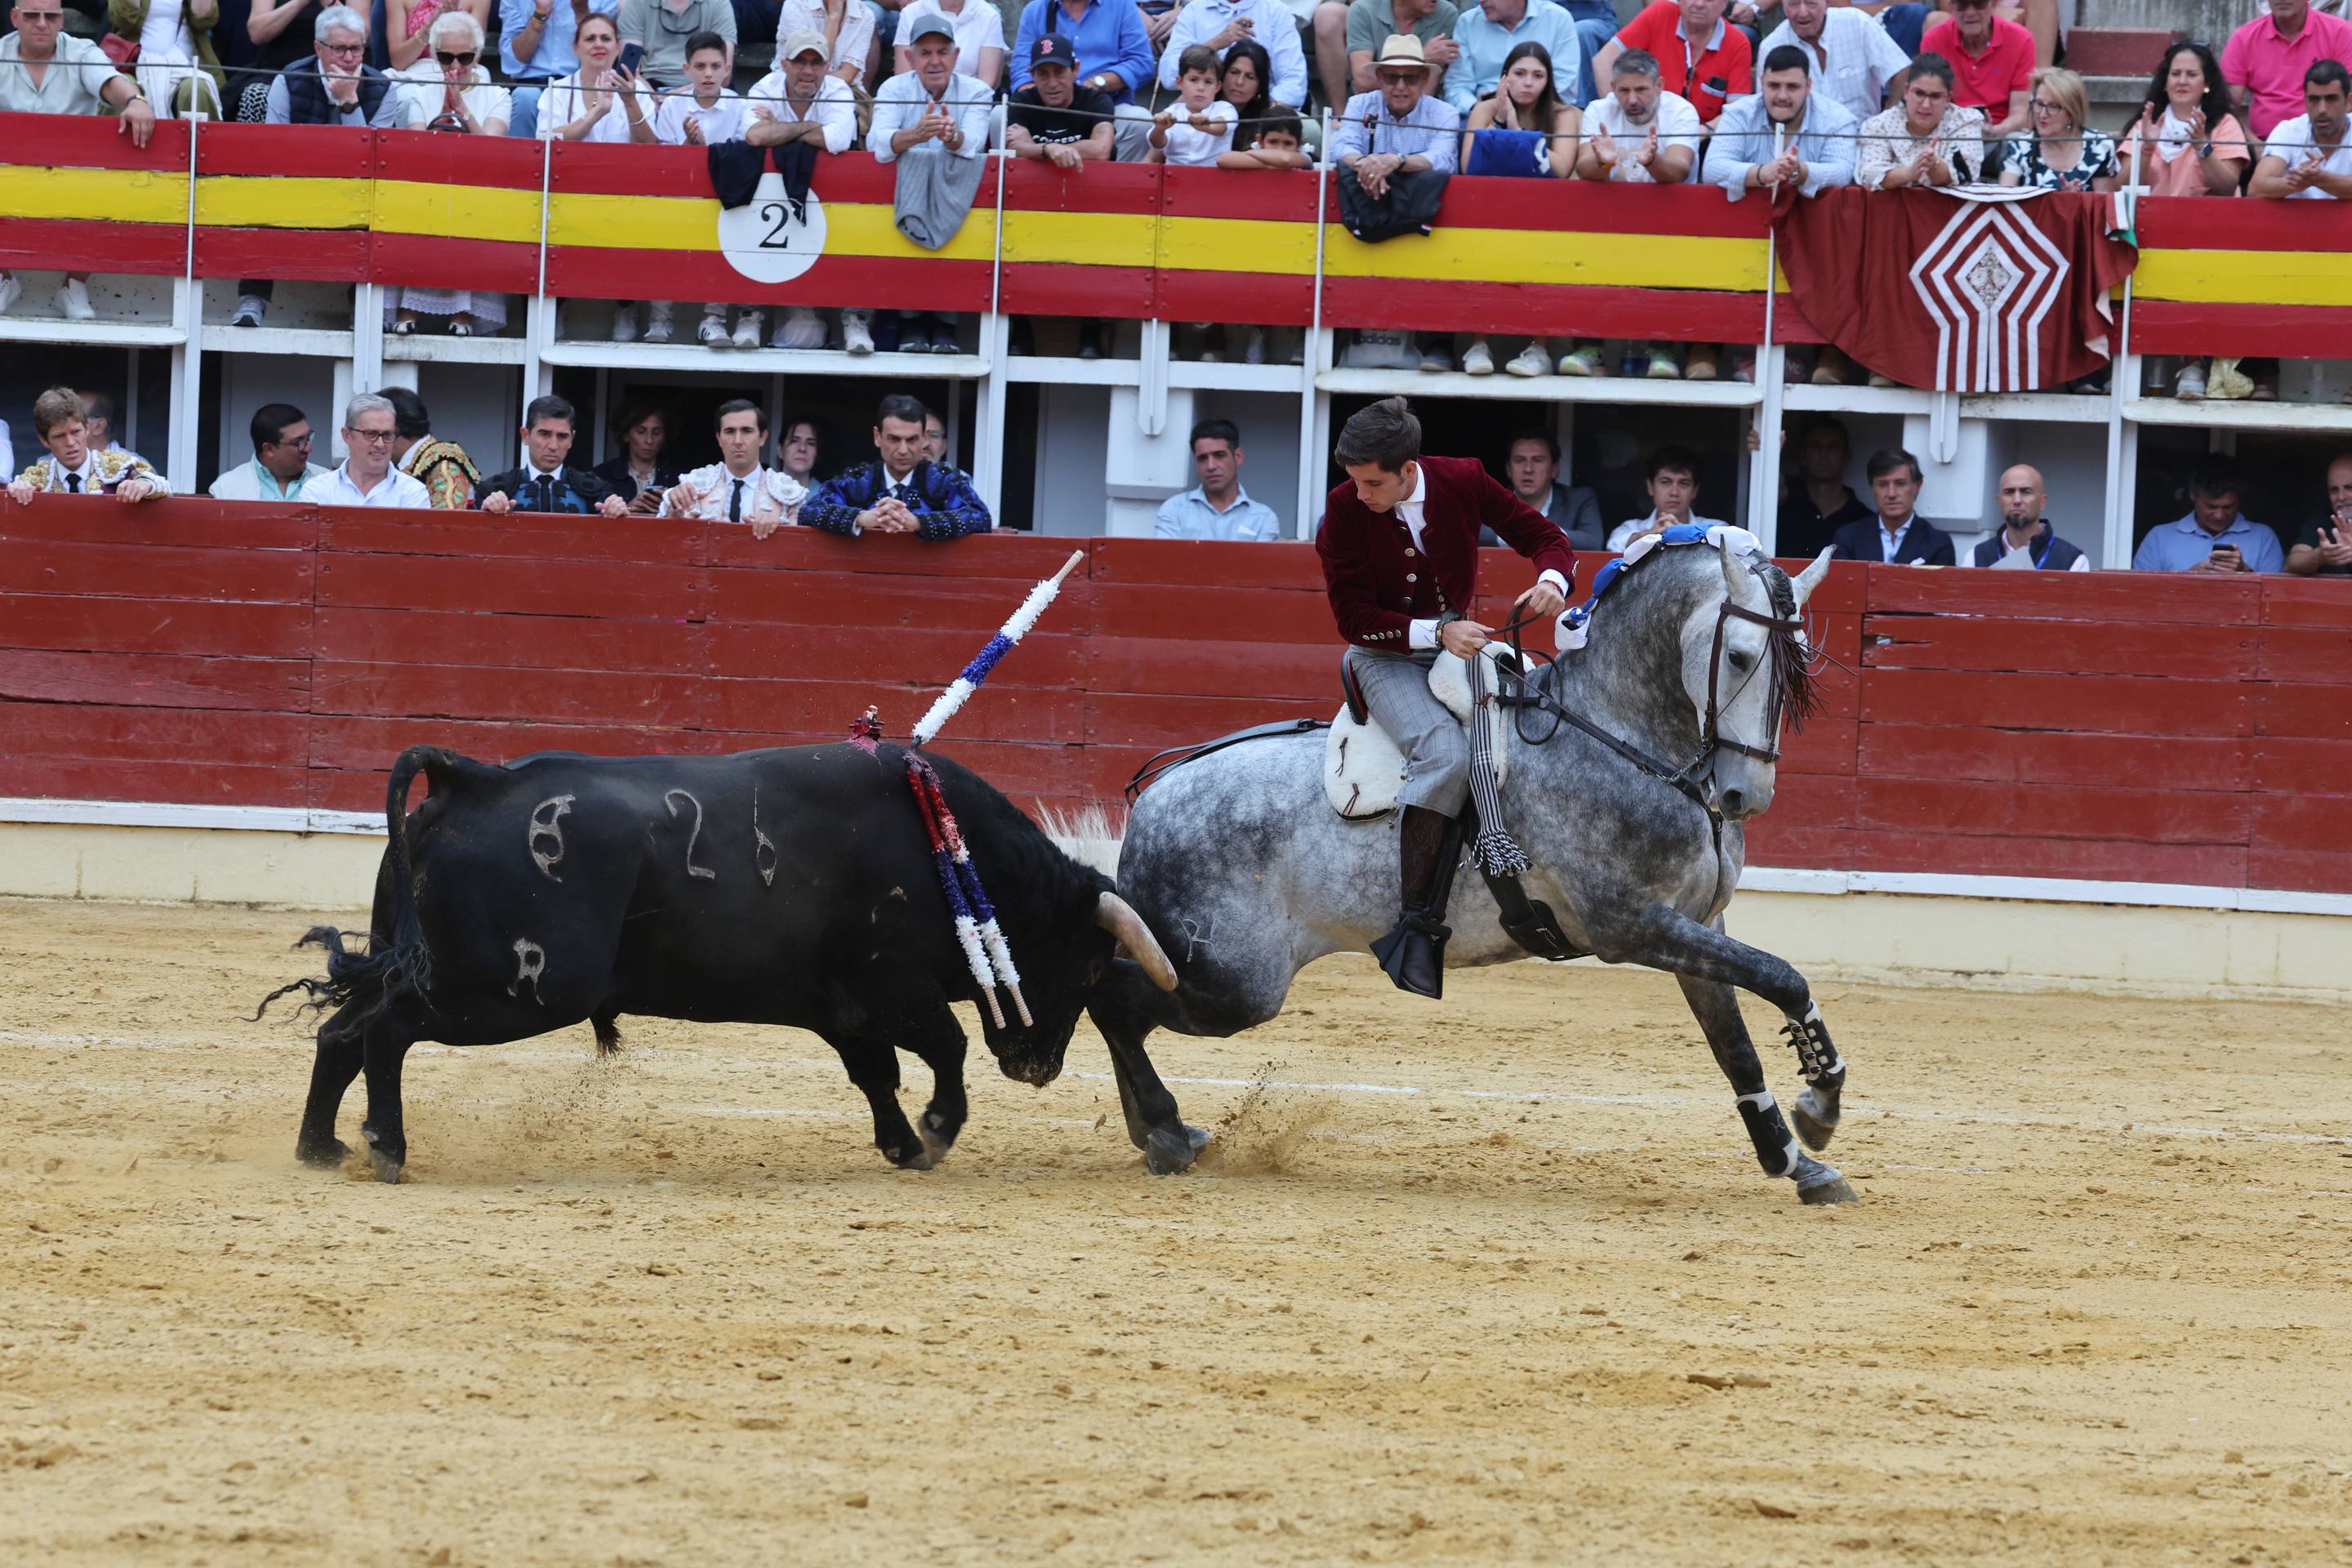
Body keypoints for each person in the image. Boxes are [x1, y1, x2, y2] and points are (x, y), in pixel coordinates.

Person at [1312, 397, 1573, 999]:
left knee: (1543, 727)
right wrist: (1438, 631)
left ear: (1409, 469)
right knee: (1446, 757)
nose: (1361, 493)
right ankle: (1415, 925)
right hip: (1386, 657)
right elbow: (1352, 618)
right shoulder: (1343, 509)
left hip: (1460, 643)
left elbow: (1542, 534)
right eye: (1354, 481)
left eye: (1373, 482)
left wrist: (1551, 579)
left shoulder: (1461, 479)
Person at [239, 3, 399, 325]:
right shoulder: (289, 79)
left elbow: (372, 162)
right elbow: (274, 151)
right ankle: (252, 300)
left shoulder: (383, 89)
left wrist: (350, 103)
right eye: (339, 49)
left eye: (356, 48)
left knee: (381, 205)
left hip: (357, 189)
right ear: (318, 48)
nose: (350, 58)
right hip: (296, 183)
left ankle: (362, 307)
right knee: (260, 196)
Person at [0, 0, 158, 323]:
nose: (41, 23)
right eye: (32, 15)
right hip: (9, 176)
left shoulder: (81, 51)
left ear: (61, 19)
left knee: (107, 189)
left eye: (50, 16)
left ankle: (73, 285)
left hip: (72, 178)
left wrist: (134, 100)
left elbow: (109, 80)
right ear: (15, 18)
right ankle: (3, 278)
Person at [1332, 36, 1460, 374]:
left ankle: (1439, 342)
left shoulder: (1443, 112)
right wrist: (1368, 165)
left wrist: (1393, 161)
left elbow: (1444, 159)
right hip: (1389, 203)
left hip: (1422, 216)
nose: (1401, 86)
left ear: (1424, 80)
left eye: (1411, 77)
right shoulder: (1361, 104)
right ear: (1379, 79)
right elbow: (1340, 147)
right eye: (1392, 77)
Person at [1570, 49, 1700, 380]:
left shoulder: (1681, 110)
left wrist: (1651, 161)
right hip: (1609, 224)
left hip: (1671, 224)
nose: (1632, 100)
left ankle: (1662, 350)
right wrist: (1605, 161)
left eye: (1641, 90)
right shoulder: (1599, 109)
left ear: (1659, 85)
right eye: (1624, 90)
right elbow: (1586, 168)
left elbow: (1680, 169)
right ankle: (1589, 347)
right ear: (1612, 86)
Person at [868, 15, 994, 353]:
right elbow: (874, 143)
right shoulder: (894, 87)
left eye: (942, 52)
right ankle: (910, 322)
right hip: (898, 195)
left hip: (956, 191)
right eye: (925, 53)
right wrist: (916, 135)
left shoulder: (977, 90)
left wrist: (950, 137)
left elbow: (974, 142)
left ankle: (944, 324)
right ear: (910, 59)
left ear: (956, 55)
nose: (935, 61)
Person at [1456, 43, 1578, 377]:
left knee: (1544, 270)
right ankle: (1478, 344)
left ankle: (1539, 349)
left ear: (1548, 80)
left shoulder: (1565, 113)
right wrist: (1499, 117)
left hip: (1546, 219)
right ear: (1504, 78)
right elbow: (1468, 165)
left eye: (1538, 76)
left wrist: (1513, 128)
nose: (1528, 83)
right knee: (1484, 263)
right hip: (1491, 213)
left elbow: (1562, 167)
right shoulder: (1483, 110)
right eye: (1520, 74)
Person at [389, 11, 511, 339]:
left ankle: (462, 308)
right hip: (429, 183)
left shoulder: (497, 95)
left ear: (478, 54)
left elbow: (493, 152)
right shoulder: (420, 91)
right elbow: (416, 146)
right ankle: (410, 305)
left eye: (465, 58)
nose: (455, 67)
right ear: (434, 54)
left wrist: (462, 111)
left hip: (479, 186)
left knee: (469, 207)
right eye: (445, 57)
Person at [740, 30, 860, 350]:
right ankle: (748, 313)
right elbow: (752, 136)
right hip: (770, 204)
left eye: (816, 63)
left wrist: (779, 128)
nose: (808, 71)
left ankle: (854, 319)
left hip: (835, 203)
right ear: (784, 64)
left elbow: (839, 139)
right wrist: (809, 128)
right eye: (800, 62)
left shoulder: (837, 88)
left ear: (827, 66)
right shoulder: (765, 86)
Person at [802, 394, 992, 538]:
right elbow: (809, 511)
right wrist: (861, 518)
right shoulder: (858, 481)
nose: (903, 450)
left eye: (911, 440)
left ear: (924, 438)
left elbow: (980, 517)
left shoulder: (943, 480)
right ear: (878, 437)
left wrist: (919, 522)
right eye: (894, 439)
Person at [1704, 42, 1860, 200]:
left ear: (1808, 86)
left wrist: (1800, 170)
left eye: (1793, 87)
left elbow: (1842, 173)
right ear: (1762, 83)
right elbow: (1712, 169)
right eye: (1774, 85)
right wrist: (1761, 173)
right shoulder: (1740, 113)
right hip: (1750, 217)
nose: (1782, 96)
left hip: (1811, 219)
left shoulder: (1837, 118)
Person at [1008, 0, 1155, 162]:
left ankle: (1125, 185)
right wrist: (1038, 102)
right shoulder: (1035, 10)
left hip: (1106, 103)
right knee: (998, 116)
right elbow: (1021, 69)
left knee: (1140, 122)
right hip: (1045, 108)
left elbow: (1141, 62)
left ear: (1076, 68)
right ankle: (1014, 183)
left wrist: (1093, 85)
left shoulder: (1122, 5)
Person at [1591, 0, 1748, 128]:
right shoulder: (1659, 14)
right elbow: (1603, 61)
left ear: (1725, 4)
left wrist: (1702, 132)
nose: (1699, 4)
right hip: (1645, 126)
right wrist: (1623, 116)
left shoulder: (1737, 43)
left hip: (1703, 137)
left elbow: (1738, 111)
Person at [658, 399, 807, 533]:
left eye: (746, 431)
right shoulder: (691, 486)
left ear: (762, 438)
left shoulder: (791, 494)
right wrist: (673, 513)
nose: (738, 440)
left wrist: (780, 530)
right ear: (719, 439)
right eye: (730, 431)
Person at [1757, 0, 1911, 127]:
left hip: (1864, 139)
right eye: (1794, 4)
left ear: (1826, 3)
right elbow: (1766, 108)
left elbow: (1901, 71)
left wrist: (1885, 124)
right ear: (1783, 5)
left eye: (1811, 3)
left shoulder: (1857, 22)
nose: (1803, 13)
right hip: (1806, 146)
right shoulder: (1772, 46)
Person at [476, 396, 634, 518]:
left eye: (562, 436)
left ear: (571, 439)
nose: (553, 446)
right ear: (525, 435)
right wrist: (486, 513)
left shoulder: (597, 491)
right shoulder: (492, 492)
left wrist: (617, 511)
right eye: (544, 434)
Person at [4, 387, 167, 502]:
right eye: (60, 436)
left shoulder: (120, 467)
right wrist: (17, 491)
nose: (70, 443)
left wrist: (145, 484)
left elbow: (163, 485)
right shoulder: (36, 478)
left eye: (75, 432)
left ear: (87, 429)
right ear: (44, 441)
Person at [2221, 0, 2352, 144]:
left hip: (2327, 143)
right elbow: (2225, 107)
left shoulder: (2341, 32)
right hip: (2263, 144)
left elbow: (2349, 101)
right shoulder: (2244, 38)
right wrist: (2254, 145)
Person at [1855, 51, 1986, 190]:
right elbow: (1869, 174)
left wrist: (1933, 165)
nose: (1925, 105)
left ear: (1948, 98)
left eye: (1935, 96)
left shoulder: (1965, 121)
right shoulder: (1878, 125)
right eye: (1919, 93)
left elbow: (1966, 175)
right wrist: (1911, 172)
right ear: (1906, 91)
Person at [499, 0, 620, 139]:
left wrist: (581, 10)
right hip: (531, 83)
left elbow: (602, 49)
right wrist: (541, 12)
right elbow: (513, 60)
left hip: (580, 83)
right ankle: (521, 160)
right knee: (525, 97)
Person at [2131, 464, 2283, 574]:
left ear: (2239, 500)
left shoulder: (2263, 537)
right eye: (2211, 507)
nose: (2219, 515)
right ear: (2193, 496)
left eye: (2228, 507)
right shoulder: (2160, 537)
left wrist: (2244, 571)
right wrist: (2188, 578)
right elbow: (2140, 594)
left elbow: (2276, 598)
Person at [1316, 0, 1458, 116]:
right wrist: (1422, 58)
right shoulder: (1363, 9)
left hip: (1417, 112)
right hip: (1368, 104)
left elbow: (1427, 89)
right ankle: (1339, 120)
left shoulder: (1446, 13)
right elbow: (1363, 81)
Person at [1158, 0, 1307, 110]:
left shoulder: (1276, 11)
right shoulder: (1194, 10)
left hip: (1263, 108)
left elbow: (1294, 83)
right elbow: (1169, 77)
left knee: (1310, 130)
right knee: (1174, 112)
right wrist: (1216, 43)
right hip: (1206, 105)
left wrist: (1260, 110)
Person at [1446, 0, 1580, 119]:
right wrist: (1476, 107)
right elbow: (1457, 84)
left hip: (1541, 113)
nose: (1480, 1)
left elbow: (1564, 83)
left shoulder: (1558, 19)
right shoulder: (1468, 22)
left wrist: (1523, 109)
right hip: (1485, 113)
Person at [1156, 418, 1282, 541]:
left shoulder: (1263, 518)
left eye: (1219, 455)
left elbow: (1261, 563)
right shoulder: (1175, 509)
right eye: (1203, 458)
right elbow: (1166, 560)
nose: (1211, 466)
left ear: (1238, 457)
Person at [1918, 0, 2029, 140]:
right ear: (1952, 7)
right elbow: (1929, 103)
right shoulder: (1934, 39)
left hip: (2002, 135)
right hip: (1947, 133)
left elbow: (2020, 112)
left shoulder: (2020, 39)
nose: (1970, 12)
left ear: (1993, 5)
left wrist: (1995, 131)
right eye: (1962, 5)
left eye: (1979, 4)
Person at [1995, 67, 2117, 192]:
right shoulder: (2019, 148)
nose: (2042, 114)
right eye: (2039, 104)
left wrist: (2075, 202)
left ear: (2072, 112)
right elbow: (2005, 201)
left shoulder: (2100, 146)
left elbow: (2104, 207)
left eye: (2053, 106)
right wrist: (2059, 202)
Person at [1831, 448, 1957, 564]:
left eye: (1900, 484)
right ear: (1872, 488)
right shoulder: (1848, 537)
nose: (1891, 494)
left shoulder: (1938, 544)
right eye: (1883, 484)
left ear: (1917, 487)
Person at [2250, 60, 2352, 201]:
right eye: (2314, 100)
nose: (2322, 109)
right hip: (2296, 222)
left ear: (2348, 102)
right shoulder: (2289, 130)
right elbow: (2256, 189)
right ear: (2305, 101)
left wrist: (2319, 179)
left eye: (2331, 99)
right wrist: (2298, 182)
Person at [308, 393, 432, 508]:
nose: (380, 444)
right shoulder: (319, 489)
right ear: (347, 435)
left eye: (388, 434)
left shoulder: (413, 491)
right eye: (370, 434)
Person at [1775, 416, 1869, 561]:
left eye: (1832, 447)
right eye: (1815, 446)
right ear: (1803, 455)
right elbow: (1766, 485)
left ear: (1846, 456)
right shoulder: (1786, 497)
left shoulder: (1861, 518)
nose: (1823, 454)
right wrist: (1766, 450)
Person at [1967, 464, 2088, 570]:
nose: (2017, 500)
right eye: (2009, 492)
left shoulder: (2073, 561)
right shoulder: (1976, 557)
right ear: (1999, 502)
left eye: (2026, 492)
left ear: (2042, 502)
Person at [1606, 444, 1724, 549]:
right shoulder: (1630, 528)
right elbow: (1614, 546)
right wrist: (1652, 535)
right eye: (1665, 482)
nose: (1674, 492)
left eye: (1684, 483)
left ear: (1694, 491)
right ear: (1650, 487)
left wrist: (1684, 534)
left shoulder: (1717, 528)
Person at [1499, 430, 1602, 550]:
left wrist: (1540, 532)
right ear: (1508, 469)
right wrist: (1519, 535)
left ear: (1554, 469)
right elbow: (1476, 532)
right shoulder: (1492, 499)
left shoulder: (1580, 499)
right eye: (1520, 460)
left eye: (1538, 460)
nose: (1528, 469)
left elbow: (1593, 541)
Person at [382, 385, 480, 509]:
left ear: (395, 430)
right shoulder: (415, 461)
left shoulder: (443, 464)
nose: (377, 442)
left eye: (381, 433)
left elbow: (447, 524)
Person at [209, 403, 329, 501]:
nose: (309, 448)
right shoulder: (225, 489)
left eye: (308, 437)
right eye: (298, 442)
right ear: (269, 449)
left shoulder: (329, 482)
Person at [1150, 44, 1239, 164]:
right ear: (1179, 82)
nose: (1201, 88)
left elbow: (1223, 127)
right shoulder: (1171, 112)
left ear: (1218, 87)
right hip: (1173, 177)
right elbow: (1157, 144)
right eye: (1194, 80)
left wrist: (1207, 126)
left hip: (1215, 178)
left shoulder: (1225, 108)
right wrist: (1159, 129)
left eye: (1208, 82)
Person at [616, 0, 734, 89]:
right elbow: (628, 69)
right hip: (649, 87)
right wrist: (651, 96)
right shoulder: (636, 3)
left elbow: (724, 74)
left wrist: (678, 96)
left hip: (703, 89)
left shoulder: (719, 4)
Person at [894, 0, 1007, 88]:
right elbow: (903, 79)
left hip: (970, 104)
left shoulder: (989, 15)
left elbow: (986, 83)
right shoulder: (910, 13)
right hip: (918, 104)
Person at [591, 400, 679, 513]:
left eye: (656, 433)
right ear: (626, 435)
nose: (649, 440)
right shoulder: (601, 476)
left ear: (664, 437)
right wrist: (627, 510)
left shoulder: (679, 479)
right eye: (641, 432)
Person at [772, 0, 870, 90]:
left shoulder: (865, 14)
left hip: (843, 90)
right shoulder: (795, 5)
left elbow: (847, 76)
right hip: (791, 89)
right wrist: (834, 17)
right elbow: (807, 66)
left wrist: (835, 14)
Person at [2285, 452, 2352, 577]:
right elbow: (2292, 564)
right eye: (2334, 490)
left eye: (2349, 487)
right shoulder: (2323, 520)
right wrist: (2320, 556)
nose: (2341, 497)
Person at [778, 415, 822, 483]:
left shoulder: (827, 493)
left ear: (816, 453)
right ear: (780, 450)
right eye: (794, 441)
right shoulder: (760, 492)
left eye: (810, 443)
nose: (802, 448)